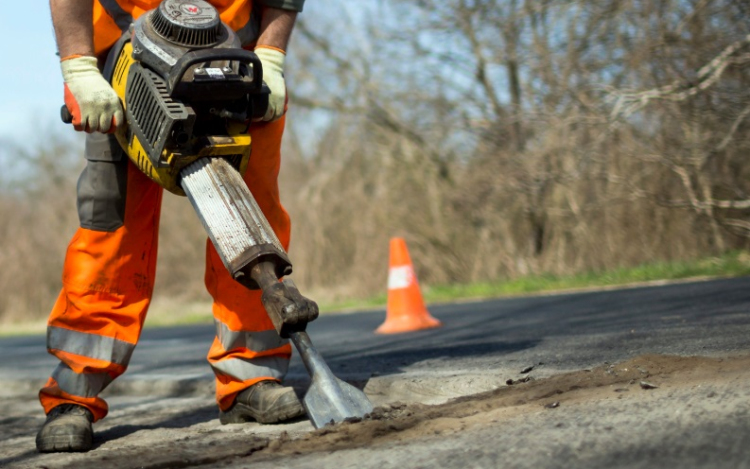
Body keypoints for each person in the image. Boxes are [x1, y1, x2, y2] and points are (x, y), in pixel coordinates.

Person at [37, 0, 305, 453]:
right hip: (125, 65)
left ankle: (251, 375)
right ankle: (73, 395)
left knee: (251, 221)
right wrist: (79, 66)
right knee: (111, 233)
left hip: (237, 62)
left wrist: (272, 55)